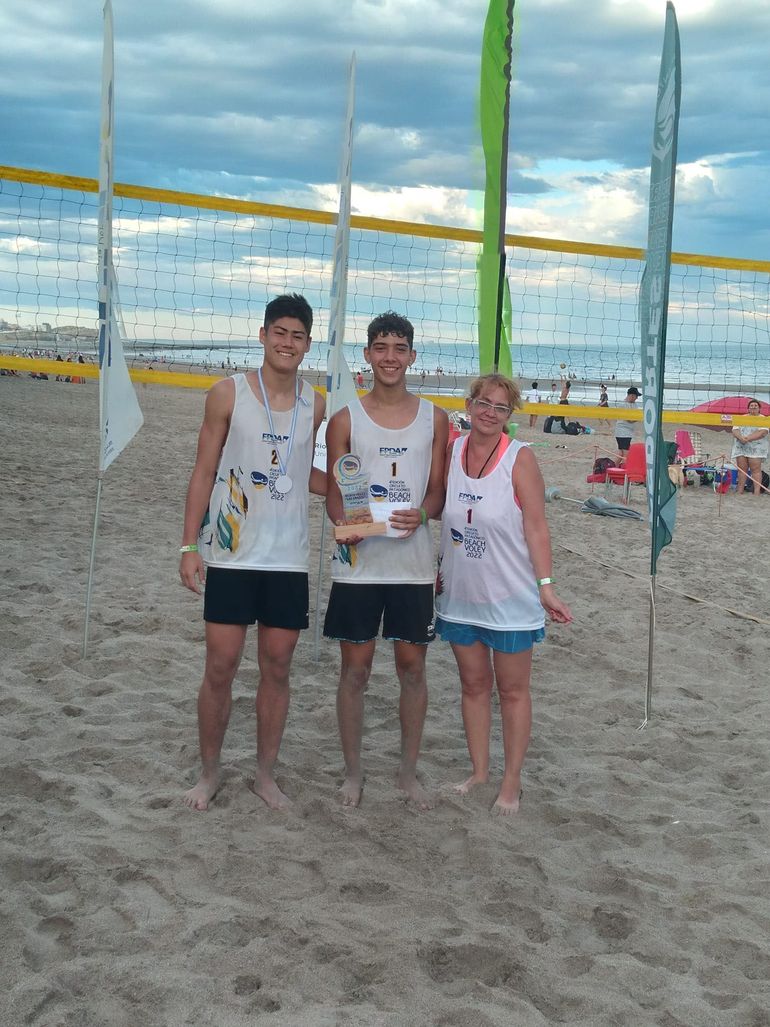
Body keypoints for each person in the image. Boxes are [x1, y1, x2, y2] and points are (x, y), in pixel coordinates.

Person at [179, 293, 326, 812]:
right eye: (280, 332)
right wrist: (189, 543)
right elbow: (203, 471)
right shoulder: (226, 393)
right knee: (220, 667)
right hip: (230, 553)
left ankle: (265, 775)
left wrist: (355, 499)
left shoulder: (318, 402)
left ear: (309, 344)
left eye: (298, 335)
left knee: (278, 668)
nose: (288, 342)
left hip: (287, 558)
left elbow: (302, 471)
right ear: (262, 334)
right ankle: (210, 773)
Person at [324, 311, 449, 809]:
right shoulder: (344, 419)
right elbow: (336, 494)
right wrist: (346, 526)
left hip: (412, 567)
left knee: (412, 669)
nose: (390, 357)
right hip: (360, 566)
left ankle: (406, 773)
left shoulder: (434, 418)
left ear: (412, 356)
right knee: (354, 671)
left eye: (399, 348)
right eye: (381, 347)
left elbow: (438, 494)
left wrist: (421, 513)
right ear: (368, 355)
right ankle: (353, 773)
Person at [435, 373, 572, 814]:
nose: (490, 413)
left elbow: (535, 525)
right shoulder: (452, 449)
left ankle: (510, 783)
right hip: (460, 592)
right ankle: (479, 771)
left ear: (511, 414)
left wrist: (546, 586)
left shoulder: (521, 458)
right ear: (469, 404)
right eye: (483, 403)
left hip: (510, 597)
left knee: (513, 691)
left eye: (501, 407)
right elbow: (438, 509)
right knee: (473, 685)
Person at [731, 398, 769, 495]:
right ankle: (740, 490)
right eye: (751, 406)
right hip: (741, 446)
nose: (753, 407)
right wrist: (741, 438)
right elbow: (735, 430)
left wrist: (747, 438)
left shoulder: (763, 418)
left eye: (755, 406)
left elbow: (763, 432)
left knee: (755, 469)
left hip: (756, 448)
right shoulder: (742, 417)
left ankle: (756, 492)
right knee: (741, 470)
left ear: (759, 408)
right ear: (748, 408)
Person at [614, 386, 640, 465]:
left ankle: (612, 468)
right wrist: (635, 418)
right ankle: (625, 471)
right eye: (636, 396)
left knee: (621, 453)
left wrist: (635, 418)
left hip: (628, 432)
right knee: (626, 454)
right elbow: (630, 419)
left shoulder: (634, 405)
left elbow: (636, 417)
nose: (636, 398)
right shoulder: (623, 405)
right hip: (622, 432)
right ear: (631, 395)